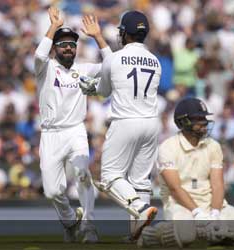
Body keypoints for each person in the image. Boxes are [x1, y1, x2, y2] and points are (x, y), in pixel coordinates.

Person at [137, 98, 234, 247]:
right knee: (186, 235)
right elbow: (175, 188)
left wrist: (215, 213)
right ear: (183, 122)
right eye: (198, 119)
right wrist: (197, 213)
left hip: (212, 205)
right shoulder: (167, 148)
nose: (204, 123)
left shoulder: (213, 146)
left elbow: (218, 185)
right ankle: (149, 235)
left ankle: (221, 235)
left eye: (204, 118)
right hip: (180, 206)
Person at [79, 10, 161, 240]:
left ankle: (140, 209)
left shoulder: (115, 59)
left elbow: (104, 89)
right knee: (140, 180)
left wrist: (90, 87)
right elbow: (119, 65)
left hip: (126, 121)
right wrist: (99, 38)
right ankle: (141, 236)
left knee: (110, 176)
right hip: (151, 124)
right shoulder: (155, 61)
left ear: (125, 33)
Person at [33, 7, 111, 243]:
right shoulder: (45, 69)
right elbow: (38, 56)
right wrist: (54, 27)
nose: (68, 47)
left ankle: (88, 225)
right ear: (55, 48)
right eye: (63, 44)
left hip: (75, 131)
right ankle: (70, 221)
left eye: (72, 44)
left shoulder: (83, 70)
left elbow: (112, 66)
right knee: (53, 191)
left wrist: (98, 37)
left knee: (83, 175)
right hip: (50, 134)